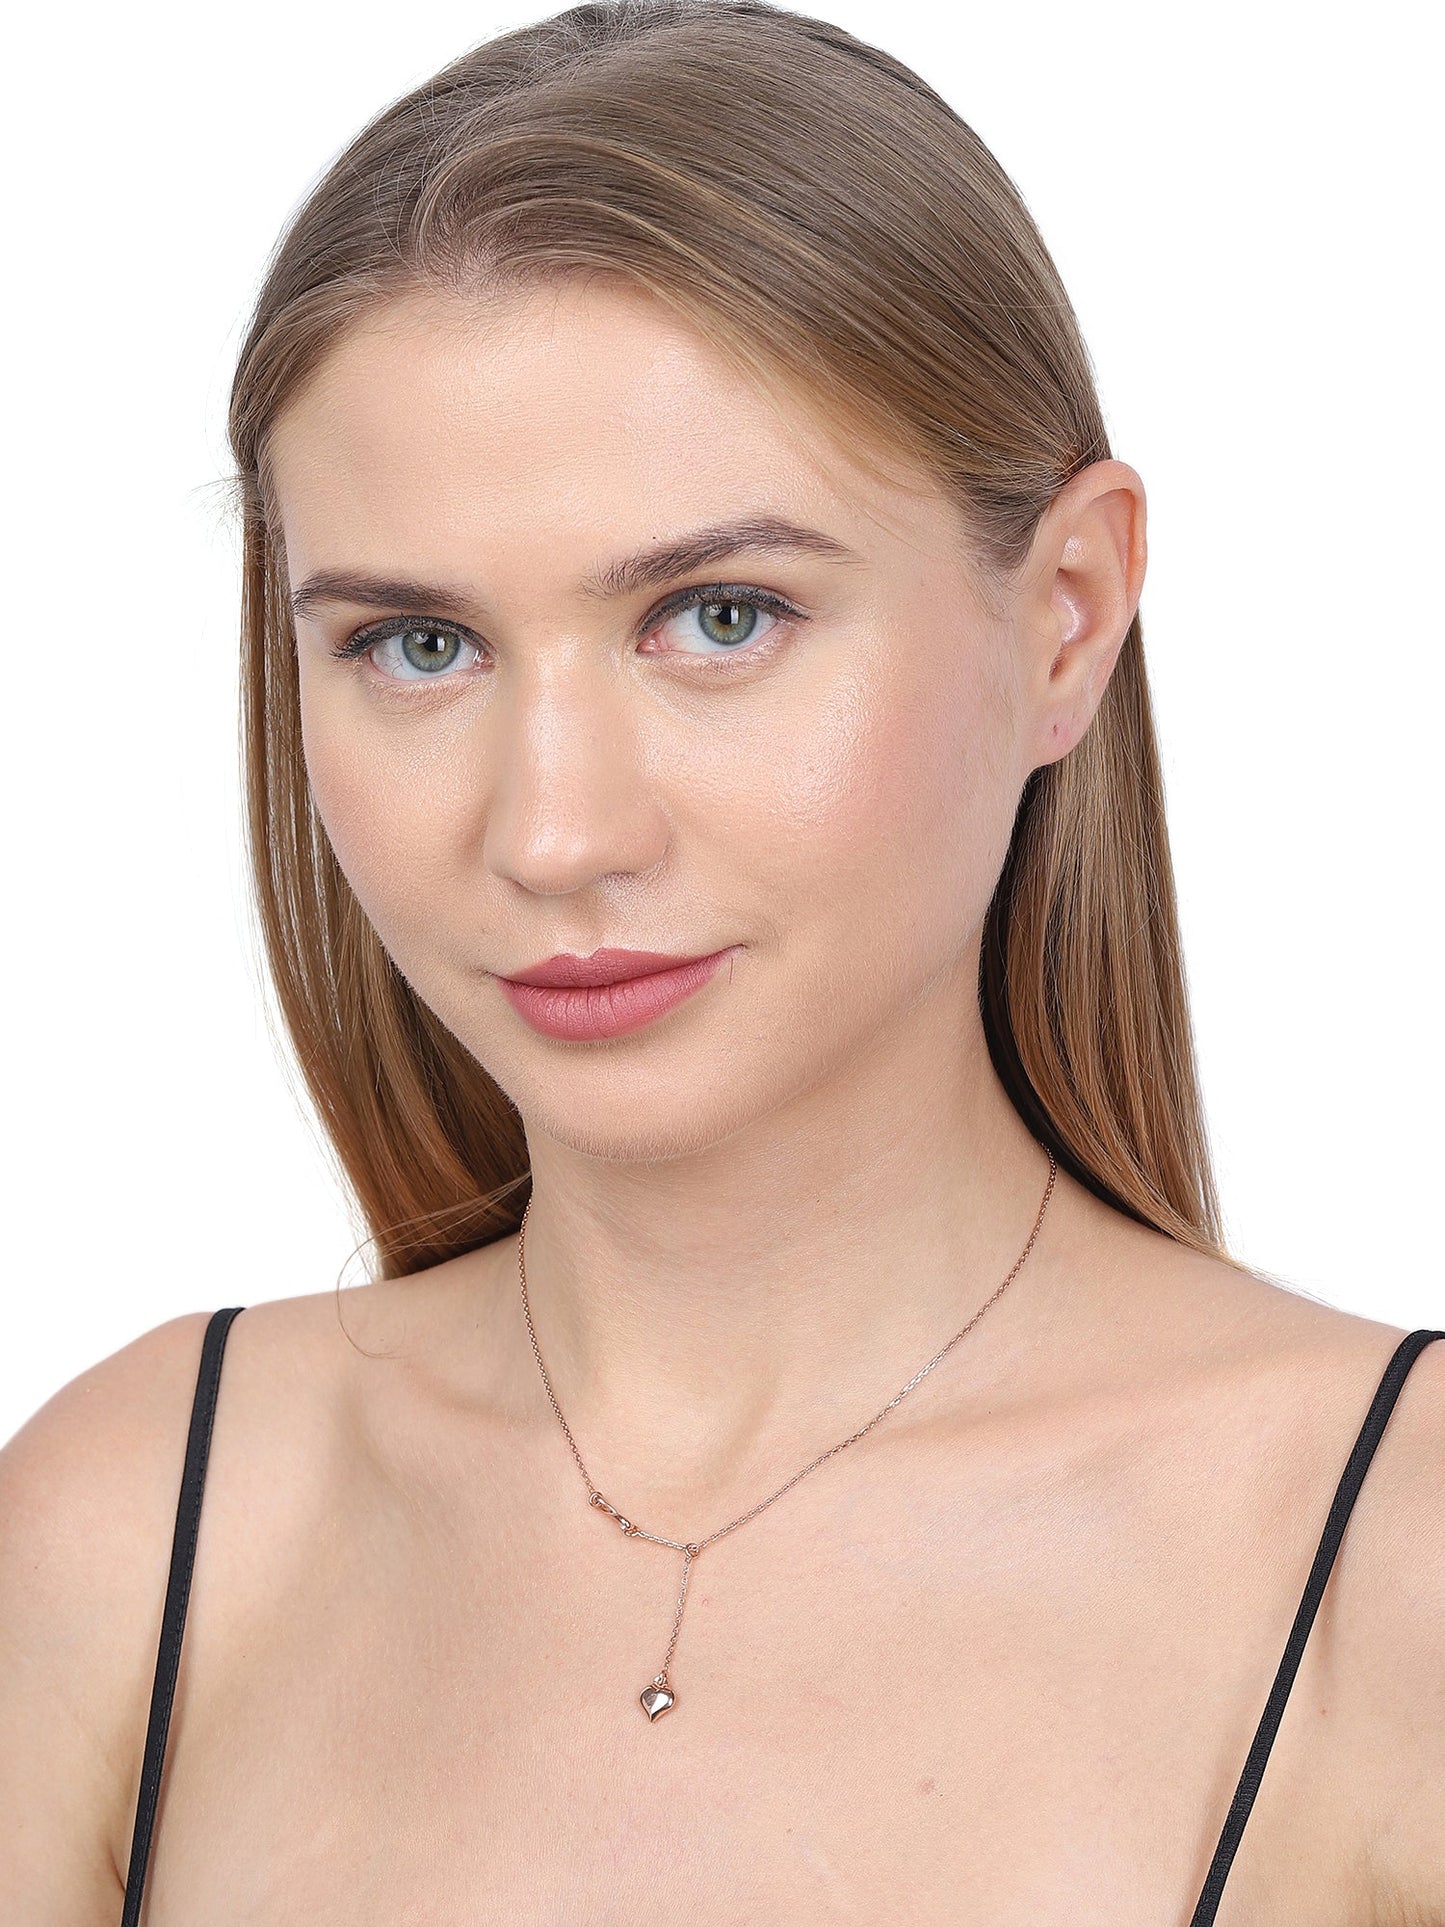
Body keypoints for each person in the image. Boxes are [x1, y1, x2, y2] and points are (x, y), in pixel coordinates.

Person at [2, 1, 1441, 1919]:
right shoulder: (131, 1537)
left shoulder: (1394, 1571)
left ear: (1066, 615)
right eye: (417, 646)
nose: (552, 832)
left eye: (720, 616)